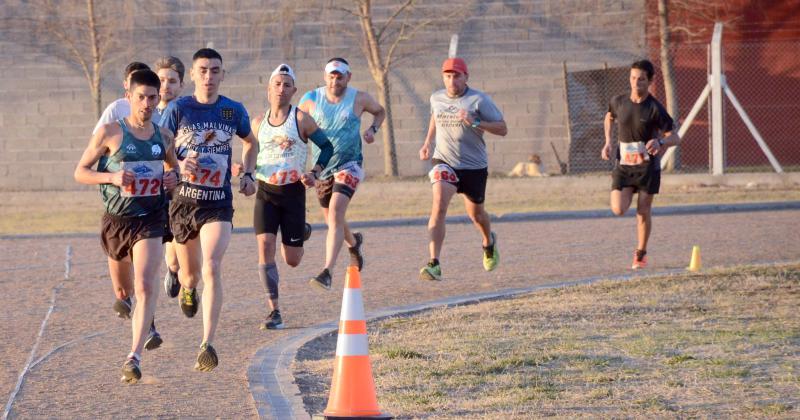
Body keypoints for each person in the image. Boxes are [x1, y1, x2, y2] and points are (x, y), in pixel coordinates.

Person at [74, 69, 179, 383]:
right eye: (141, 97)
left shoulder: (164, 137)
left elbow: (173, 170)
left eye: (152, 97)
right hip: (116, 221)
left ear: (158, 99)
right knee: (123, 291)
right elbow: (80, 171)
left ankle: (133, 357)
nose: (147, 103)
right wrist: (112, 177)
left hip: (150, 219)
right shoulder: (110, 132)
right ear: (129, 98)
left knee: (146, 285)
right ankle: (134, 312)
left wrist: (173, 180)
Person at [158, 48, 258, 371]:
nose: (209, 77)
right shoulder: (178, 109)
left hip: (217, 204)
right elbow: (159, 143)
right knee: (191, 275)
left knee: (212, 266)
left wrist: (247, 174)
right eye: (203, 70)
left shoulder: (232, 111)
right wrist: (176, 162)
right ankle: (187, 288)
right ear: (192, 74)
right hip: (184, 202)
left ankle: (207, 343)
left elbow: (250, 143)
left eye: (215, 71)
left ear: (222, 75)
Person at [251, 64, 334, 329]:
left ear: (294, 91)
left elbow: (327, 146)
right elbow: (250, 150)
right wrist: (246, 170)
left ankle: (301, 229)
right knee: (265, 247)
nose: (281, 89)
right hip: (266, 193)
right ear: (269, 88)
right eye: (277, 84)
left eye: (287, 85)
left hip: (293, 194)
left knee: (293, 260)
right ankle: (274, 311)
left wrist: (315, 172)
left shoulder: (300, 120)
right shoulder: (257, 123)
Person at [298, 57, 385, 290]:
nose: (335, 80)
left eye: (340, 76)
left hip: (350, 164)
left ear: (348, 77)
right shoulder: (310, 99)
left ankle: (327, 271)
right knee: (332, 219)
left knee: (336, 212)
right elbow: (295, 126)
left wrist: (372, 129)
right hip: (322, 169)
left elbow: (380, 111)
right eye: (331, 76)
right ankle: (354, 243)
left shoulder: (359, 98)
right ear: (325, 76)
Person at [418, 57, 508, 281]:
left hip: (474, 167)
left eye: (456, 76)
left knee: (476, 215)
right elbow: (435, 117)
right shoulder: (436, 97)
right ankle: (434, 263)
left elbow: (503, 128)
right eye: (448, 76)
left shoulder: (479, 100)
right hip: (445, 161)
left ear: (466, 77)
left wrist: (475, 123)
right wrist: (428, 142)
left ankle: (488, 241)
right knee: (438, 205)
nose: (452, 80)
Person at [602, 59, 680, 269]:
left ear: (650, 81)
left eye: (642, 79)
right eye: (633, 78)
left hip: (647, 168)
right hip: (625, 166)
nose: (636, 83)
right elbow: (609, 117)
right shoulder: (618, 101)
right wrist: (608, 142)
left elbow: (675, 137)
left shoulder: (655, 108)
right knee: (618, 208)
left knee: (643, 210)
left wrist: (660, 141)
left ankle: (640, 253)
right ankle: (640, 250)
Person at [152, 56, 186, 299]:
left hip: (179, 186)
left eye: (172, 81)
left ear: (181, 85)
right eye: (161, 80)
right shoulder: (145, 111)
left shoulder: (189, 111)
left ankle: (175, 271)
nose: (166, 86)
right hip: (152, 186)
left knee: (176, 244)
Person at [92, 62, 151, 134]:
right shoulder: (116, 108)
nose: (138, 83)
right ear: (125, 84)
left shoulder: (156, 108)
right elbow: (97, 137)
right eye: (134, 80)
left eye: (143, 79)